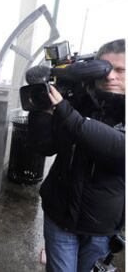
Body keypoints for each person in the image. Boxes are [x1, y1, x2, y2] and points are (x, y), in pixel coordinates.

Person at [28, 38, 125, 272]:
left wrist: (66, 113)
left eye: (120, 70)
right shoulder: (78, 100)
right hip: (59, 215)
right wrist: (41, 102)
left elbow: (119, 149)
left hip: (100, 228)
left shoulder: (70, 110)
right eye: (105, 69)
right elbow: (45, 146)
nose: (110, 76)